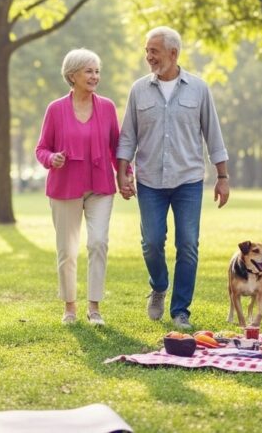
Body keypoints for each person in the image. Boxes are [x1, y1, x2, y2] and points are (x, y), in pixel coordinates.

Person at [116, 26, 230, 329]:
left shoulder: (199, 89)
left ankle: (181, 310)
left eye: (154, 51)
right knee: (152, 242)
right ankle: (159, 286)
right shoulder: (138, 89)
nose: (148, 57)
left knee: (188, 244)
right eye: (146, 51)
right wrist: (122, 173)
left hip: (188, 180)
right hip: (150, 180)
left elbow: (213, 135)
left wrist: (222, 176)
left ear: (173, 53)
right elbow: (128, 136)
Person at [35, 49, 124, 326]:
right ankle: (70, 307)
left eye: (97, 71)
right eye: (89, 71)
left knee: (98, 242)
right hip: (65, 187)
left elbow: (116, 147)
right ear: (72, 75)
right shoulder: (55, 109)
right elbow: (41, 148)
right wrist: (52, 158)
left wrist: (126, 175)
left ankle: (94, 307)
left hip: (100, 186)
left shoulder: (107, 107)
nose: (95, 76)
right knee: (67, 249)